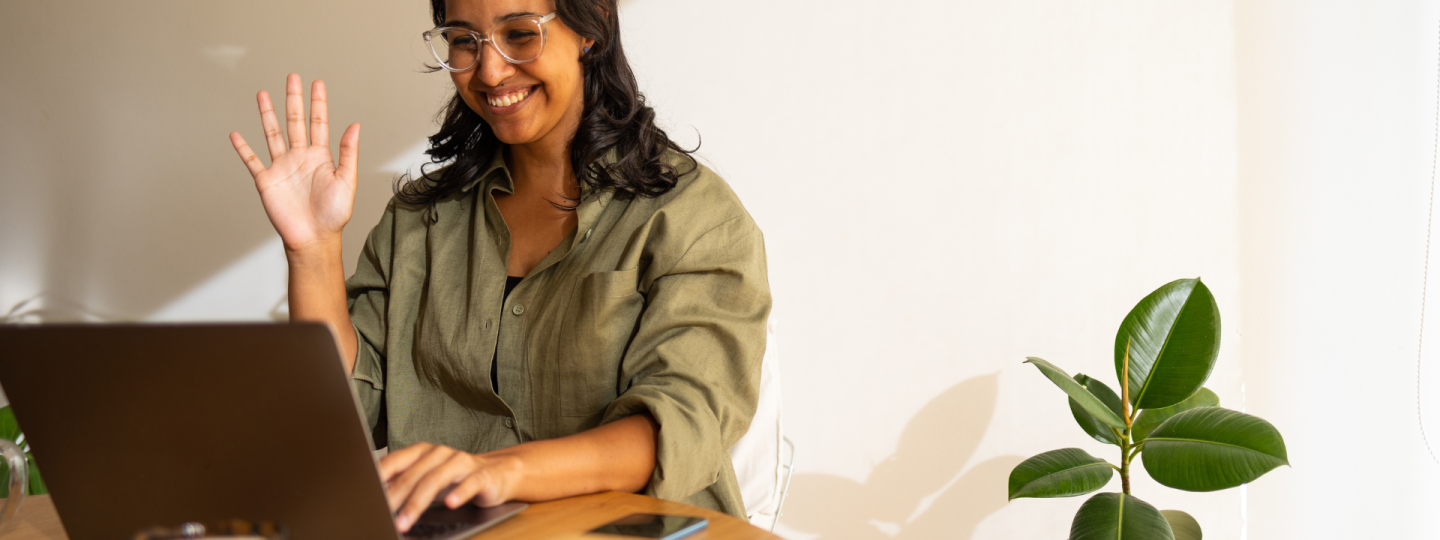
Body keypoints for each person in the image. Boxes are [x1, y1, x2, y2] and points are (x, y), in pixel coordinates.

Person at [227, 0, 770, 533]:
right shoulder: (421, 220)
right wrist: (313, 250)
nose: (488, 70)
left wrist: (498, 472)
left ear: (593, 26)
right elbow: (343, 416)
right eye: (465, 40)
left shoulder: (690, 217)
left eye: (519, 33)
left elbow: (680, 423)